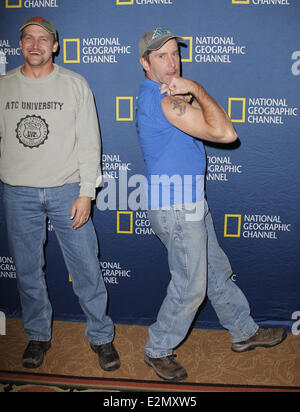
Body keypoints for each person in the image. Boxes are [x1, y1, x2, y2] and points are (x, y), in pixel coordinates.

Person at [136, 28, 287, 382]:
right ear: (144, 63)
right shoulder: (164, 101)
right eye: (161, 56)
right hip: (176, 208)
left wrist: (189, 92)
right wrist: (197, 90)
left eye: (175, 53)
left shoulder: (165, 95)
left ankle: (242, 331)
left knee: (216, 271)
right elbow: (226, 133)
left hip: (188, 201)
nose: (172, 62)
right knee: (191, 286)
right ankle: (157, 348)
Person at [0, 16, 120, 372]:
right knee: (27, 271)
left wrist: (86, 192)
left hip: (68, 190)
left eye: (43, 39)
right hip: (18, 192)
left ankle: (101, 337)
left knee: (86, 268)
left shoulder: (74, 84)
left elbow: (89, 143)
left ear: (55, 45)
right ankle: (37, 335)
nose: (35, 45)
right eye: (28, 38)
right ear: (19, 45)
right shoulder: (3, 86)